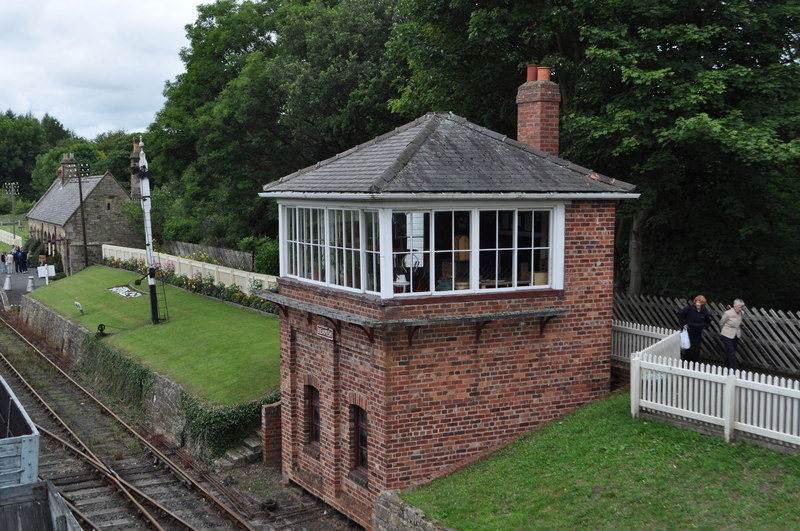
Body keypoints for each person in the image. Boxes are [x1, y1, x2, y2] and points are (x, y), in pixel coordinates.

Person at [676, 295, 711, 363]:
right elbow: (680, 314)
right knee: (689, 348)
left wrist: (704, 326)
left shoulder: (704, 311)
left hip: (698, 331)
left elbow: (708, 321)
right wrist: (684, 324)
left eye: (700, 302)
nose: (698, 304)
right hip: (689, 330)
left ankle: (695, 363)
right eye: (697, 302)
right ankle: (686, 362)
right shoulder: (689, 309)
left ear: (702, 304)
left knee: (697, 348)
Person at [719, 299, 746, 370]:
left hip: (735, 335)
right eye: (739, 307)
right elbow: (721, 323)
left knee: (732, 351)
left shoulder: (741, 313)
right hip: (726, 334)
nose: (740, 309)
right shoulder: (728, 313)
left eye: (741, 307)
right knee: (731, 352)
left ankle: (726, 367)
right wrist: (724, 330)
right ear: (735, 306)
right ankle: (734, 369)